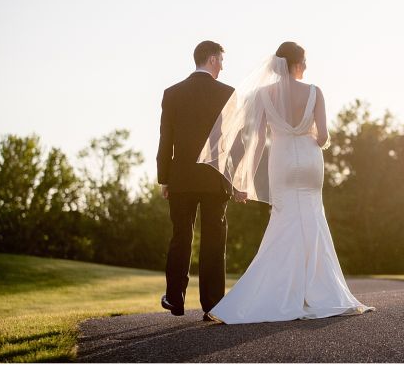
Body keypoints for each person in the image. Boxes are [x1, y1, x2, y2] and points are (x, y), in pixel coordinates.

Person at [197, 41, 376, 324]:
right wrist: (309, 132)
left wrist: (243, 180)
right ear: (297, 64)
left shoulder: (263, 94)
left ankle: (281, 292)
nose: (306, 67)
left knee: (284, 221)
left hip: (281, 162)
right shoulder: (315, 92)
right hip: (309, 161)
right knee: (313, 219)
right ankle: (320, 292)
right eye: (304, 62)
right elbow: (323, 137)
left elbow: (255, 144)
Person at [157, 40, 239, 320]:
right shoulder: (228, 93)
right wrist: (236, 179)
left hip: (181, 177)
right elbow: (235, 143)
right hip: (216, 179)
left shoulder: (172, 93)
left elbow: (165, 140)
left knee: (181, 236)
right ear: (213, 60)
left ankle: (175, 299)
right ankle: (213, 305)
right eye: (222, 61)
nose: (223, 67)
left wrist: (164, 179)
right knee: (214, 241)